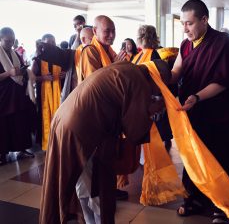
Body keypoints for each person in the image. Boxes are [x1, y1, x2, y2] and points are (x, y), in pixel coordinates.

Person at [39, 60, 171, 224]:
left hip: (65, 120)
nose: (158, 91)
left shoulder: (128, 67)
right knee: (95, 185)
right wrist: (152, 110)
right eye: (162, 86)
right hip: (81, 130)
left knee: (80, 181)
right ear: (157, 78)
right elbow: (135, 131)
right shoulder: (140, 81)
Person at [171, 0, 229, 223]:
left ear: (204, 20)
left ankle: (223, 206)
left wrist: (197, 96)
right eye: (183, 23)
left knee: (220, 159)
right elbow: (176, 71)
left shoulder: (225, 43)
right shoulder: (185, 45)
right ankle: (194, 198)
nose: (185, 28)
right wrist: (156, 76)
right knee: (194, 158)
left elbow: (224, 81)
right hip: (193, 112)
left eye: (190, 23)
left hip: (219, 113)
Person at [0, 27, 35, 165]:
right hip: (3, 96)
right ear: (0, 39)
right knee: (3, 125)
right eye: (7, 41)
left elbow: (22, 70)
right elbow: (9, 74)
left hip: (18, 94)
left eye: (12, 41)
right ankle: (2, 153)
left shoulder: (15, 53)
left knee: (20, 122)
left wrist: (24, 71)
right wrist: (9, 73)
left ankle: (21, 149)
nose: (10, 44)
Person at [31, 33, 66, 150]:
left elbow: (71, 72)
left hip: (60, 93)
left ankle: (60, 141)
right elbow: (31, 78)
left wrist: (65, 74)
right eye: (48, 42)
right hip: (44, 95)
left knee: (61, 116)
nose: (52, 45)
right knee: (46, 117)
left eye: (53, 42)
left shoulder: (61, 58)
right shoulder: (38, 59)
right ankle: (47, 142)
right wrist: (43, 78)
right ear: (43, 44)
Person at [80, 15, 127, 79]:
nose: (111, 35)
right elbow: (93, 84)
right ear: (95, 31)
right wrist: (114, 66)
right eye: (107, 31)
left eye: (113, 31)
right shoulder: (90, 51)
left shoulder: (110, 51)